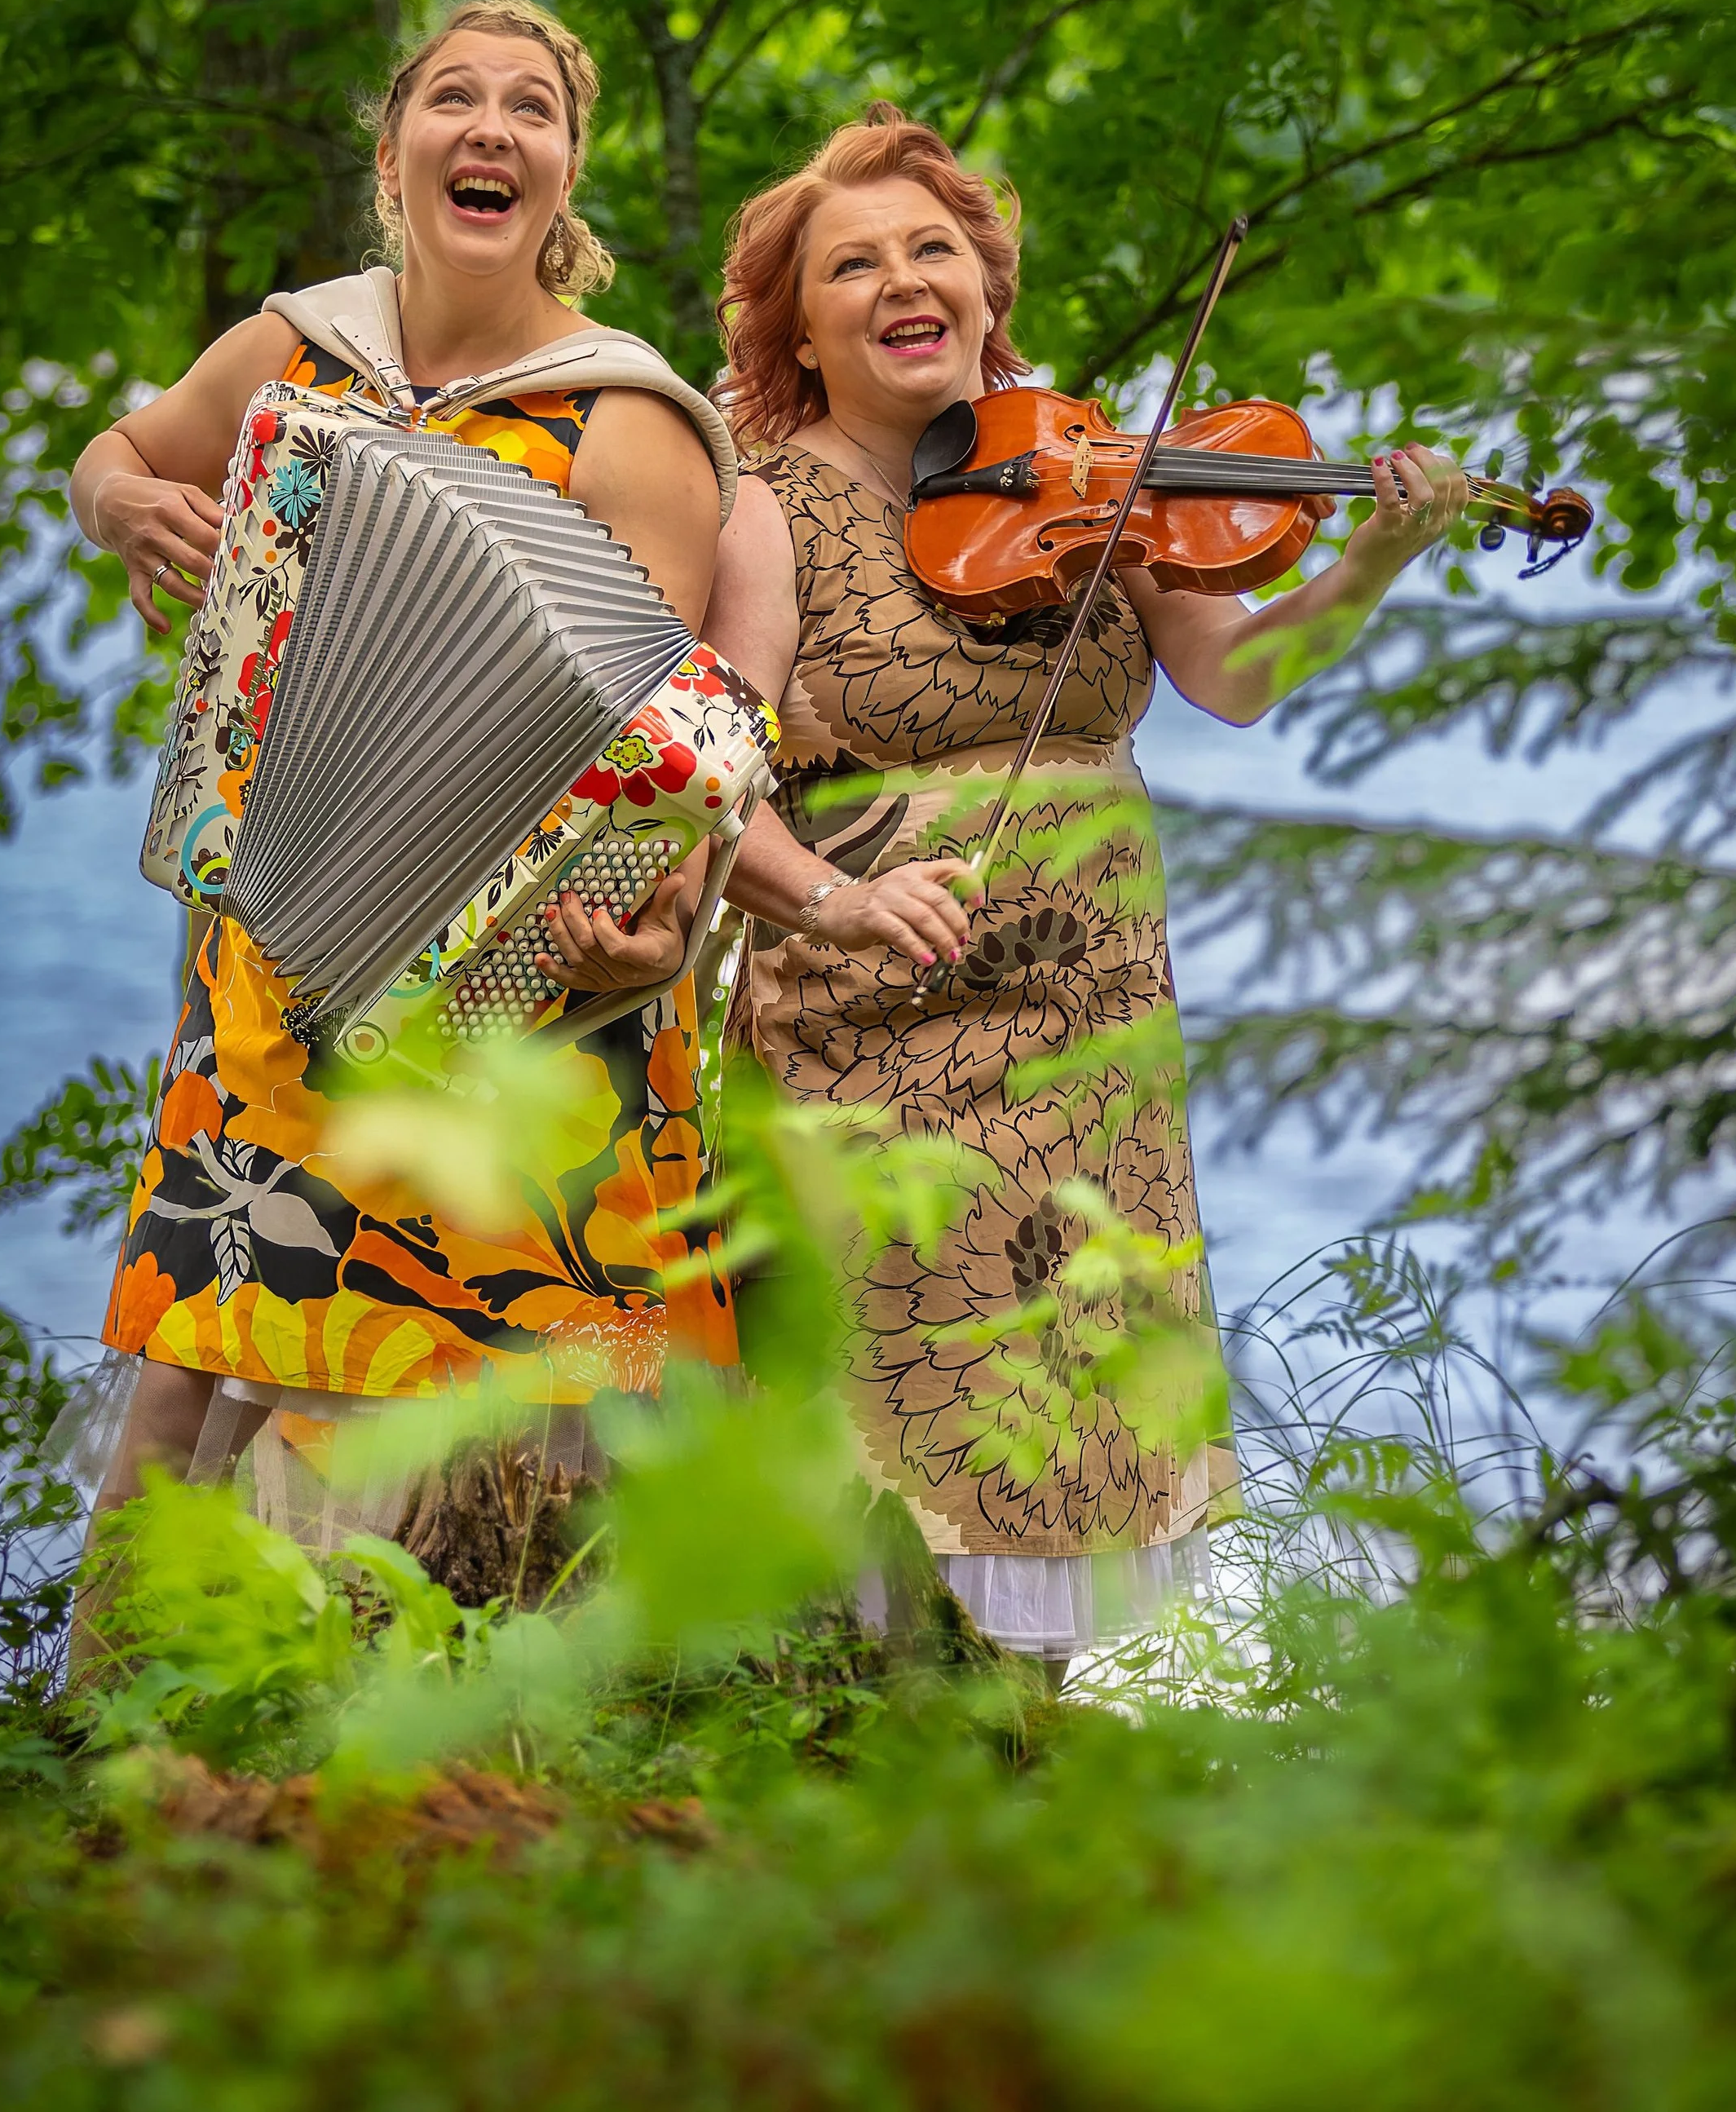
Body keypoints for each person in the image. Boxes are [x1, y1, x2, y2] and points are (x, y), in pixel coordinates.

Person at [540, 103, 1470, 1671]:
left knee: (1067, 1416)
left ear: (986, 290)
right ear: (801, 332)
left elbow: (1234, 678)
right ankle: (854, 1764)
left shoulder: (1097, 483)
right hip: (869, 1031)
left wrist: (1368, 559)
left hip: (1089, 1045)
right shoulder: (760, 501)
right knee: (888, 1422)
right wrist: (831, 903)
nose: (907, 282)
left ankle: (1024, 1787)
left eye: (936, 251)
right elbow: (701, 779)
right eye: (854, 266)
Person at [61, 0, 738, 1555]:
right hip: (279, 955)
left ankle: (494, 1762)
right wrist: (120, 510)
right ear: (395, 152)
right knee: (196, 1369)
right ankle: (119, 1747)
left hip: (525, 994)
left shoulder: (625, 425)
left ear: (564, 182)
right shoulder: (301, 349)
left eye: (533, 110)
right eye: (455, 98)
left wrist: (655, 929)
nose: (490, 128)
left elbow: (669, 752)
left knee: (496, 1403)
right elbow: (120, 451)